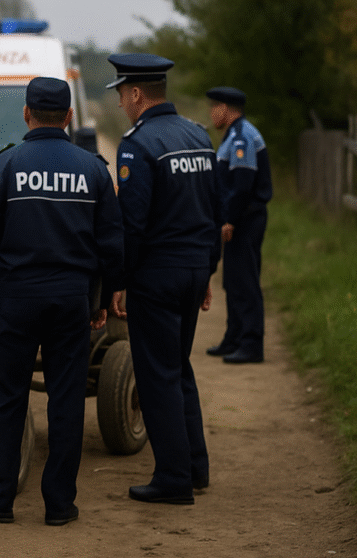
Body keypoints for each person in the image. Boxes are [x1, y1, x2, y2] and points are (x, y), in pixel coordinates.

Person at [0, 77, 124, 526]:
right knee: (66, 401)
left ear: (26, 113)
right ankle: (59, 505)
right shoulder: (93, 170)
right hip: (71, 302)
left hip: (16, 301)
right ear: (69, 117)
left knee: (7, 400)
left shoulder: (4, 167)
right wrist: (101, 299)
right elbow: (111, 245)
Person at [105, 54, 221, 505]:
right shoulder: (197, 136)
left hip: (157, 275)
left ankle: (173, 480)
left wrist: (120, 280)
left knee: (157, 376)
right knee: (178, 367)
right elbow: (214, 211)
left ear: (136, 93)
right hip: (193, 270)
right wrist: (208, 270)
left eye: (121, 95)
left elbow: (132, 225)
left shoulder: (139, 144)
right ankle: (195, 468)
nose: (120, 104)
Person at [204, 86, 271, 364]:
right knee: (233, 281)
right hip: (239, 219)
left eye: (214, 107)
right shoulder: (233, 134)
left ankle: (251, 344)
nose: (211, 113)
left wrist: (230, 219)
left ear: (225, 108)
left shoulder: (242, 136)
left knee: (245, 281)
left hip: (245, 219)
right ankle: (234, 338)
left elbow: (242, 185)